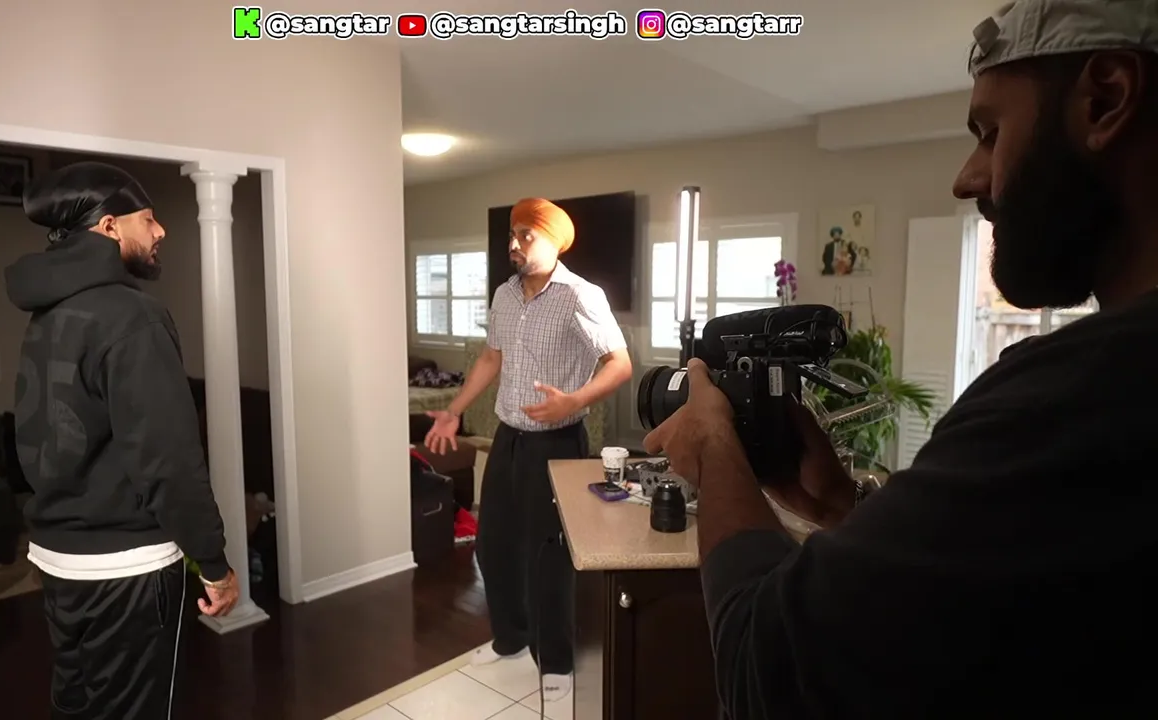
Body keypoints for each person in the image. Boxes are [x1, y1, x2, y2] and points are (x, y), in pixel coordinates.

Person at [644, 1, 1158, 717]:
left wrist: (714, 445)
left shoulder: (1085, 401)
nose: (967, 178)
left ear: (1105, 98)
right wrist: (842, 507)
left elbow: (765, 672)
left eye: (991, 131)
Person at [6, 161, 239, 720]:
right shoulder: (133, 317)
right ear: (109, 227)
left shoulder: (47, 313)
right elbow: (170, 462)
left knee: (78, 706)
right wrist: (214, 565)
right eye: (148, 219)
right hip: (126, 569)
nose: (160, 231)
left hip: (59, 560)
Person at [423, 197, 632, 703]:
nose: (514, 245)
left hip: (557, 442)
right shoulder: (505, 294)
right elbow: (490, 358)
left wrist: (575, 401)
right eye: (511, 235)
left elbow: (620, 363)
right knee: (493, 543)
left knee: (548, 554)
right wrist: (455, 410)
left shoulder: (580, 295)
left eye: (526, 235)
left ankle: (556, 660)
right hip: (508, 437)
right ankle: (511, 638)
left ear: (554, 240)